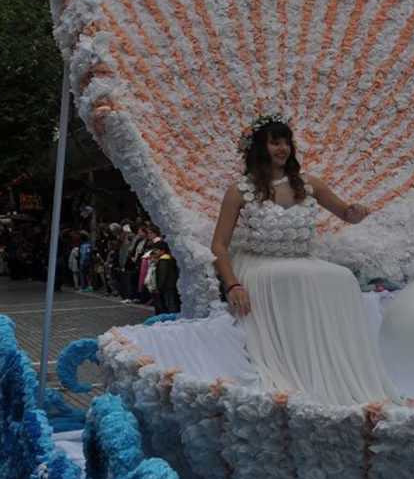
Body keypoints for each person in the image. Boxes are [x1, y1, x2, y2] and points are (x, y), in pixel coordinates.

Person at [211, 114, 397, 407]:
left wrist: (356, 212)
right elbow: (219, 245)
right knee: (292, 277)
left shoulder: (309, 184)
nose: (282, 148)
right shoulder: (239, 191)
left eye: (286, 142)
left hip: (302, 258)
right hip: (259, 264)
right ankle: (295, 370)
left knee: (341, 277)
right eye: (275, 142)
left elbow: (345, 213)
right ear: (260, 147)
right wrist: (232, 284)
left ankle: (335, 370)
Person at [154, 241, 181, 314]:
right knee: (172, 303)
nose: (155, 252)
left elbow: (162, 275)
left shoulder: (164, 261)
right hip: (171, 286)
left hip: (167, 286)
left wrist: (159, 287)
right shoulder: (170, 259)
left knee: (170, 305)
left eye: (156, 250)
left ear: (162, 251)